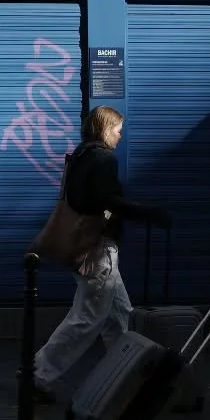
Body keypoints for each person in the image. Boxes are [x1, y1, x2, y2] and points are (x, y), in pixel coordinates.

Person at [29, 105, 171, 401]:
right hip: (98, 248)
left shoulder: (81, 155)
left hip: (89, 245)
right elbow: (106, 201)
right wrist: (148, 213)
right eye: (119, 130)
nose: (121, 136)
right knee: (87, 318)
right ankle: (37, 374)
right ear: (106, 128)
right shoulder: (103, 158)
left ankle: (128, 376)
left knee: (119, 316)